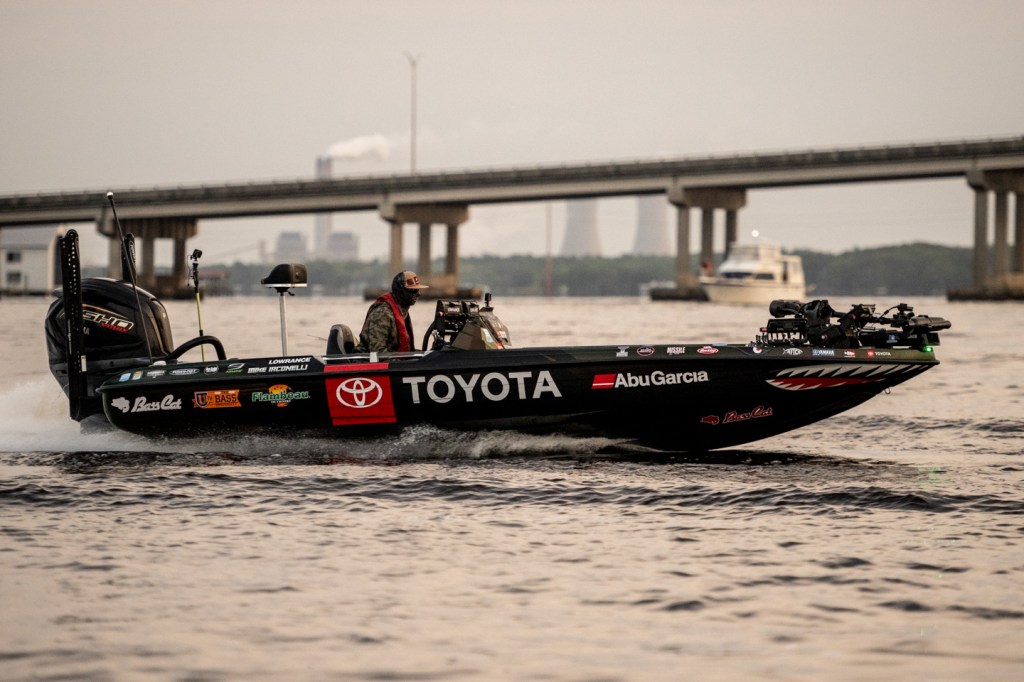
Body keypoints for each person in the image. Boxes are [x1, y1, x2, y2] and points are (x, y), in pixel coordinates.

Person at [357, 270, 429, 352]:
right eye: (413, 290)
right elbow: (378, 352)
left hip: (392, 357)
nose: (418, 294)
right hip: (367, 359)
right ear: (401, 291)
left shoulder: (402, 312)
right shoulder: (383, 313)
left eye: (418, 290)